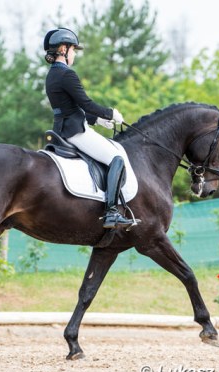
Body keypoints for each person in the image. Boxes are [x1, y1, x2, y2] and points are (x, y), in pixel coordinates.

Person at [44, 27, 134, 229]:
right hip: (75, 132)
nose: (74, 54)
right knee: (116, 158)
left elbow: (71, 108)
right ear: (63, 48)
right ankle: (111, 212)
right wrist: (110, 113)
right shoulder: (68, 74)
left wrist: (98, 120)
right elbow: (86, 103)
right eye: (73, 49)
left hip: (62, 129)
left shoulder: (52, 75)